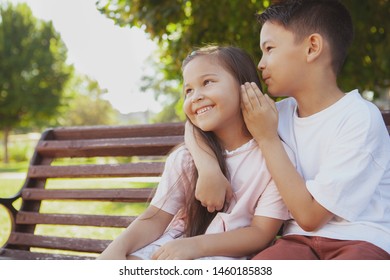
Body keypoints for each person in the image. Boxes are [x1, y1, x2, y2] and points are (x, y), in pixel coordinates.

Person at [186, 0, 390, 260]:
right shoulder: (275, 114)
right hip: (297, 244)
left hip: (361, 241)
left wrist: (268, 138)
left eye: (269, 49)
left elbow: (310, 217)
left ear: (312, 47)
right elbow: (198, 123)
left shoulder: (358, 118)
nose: (260, 64)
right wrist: (208, 169)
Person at [97, 45, 294, 260]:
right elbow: (156, 218)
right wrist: (117, 248)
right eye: (188, 90)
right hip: (173, 248)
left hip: (225, 255)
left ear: (245, 87)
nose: (196, 96)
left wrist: (195, 247)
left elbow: (261, 233)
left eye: (207, 82)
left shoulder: (275, 159)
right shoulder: (185, 159)